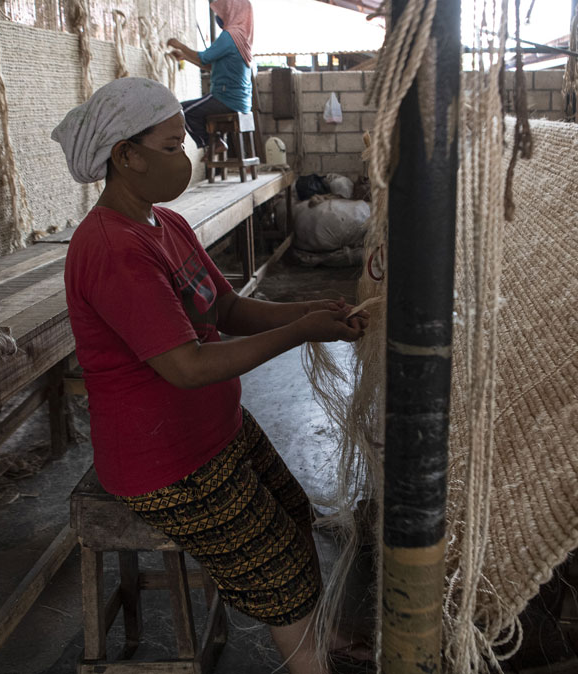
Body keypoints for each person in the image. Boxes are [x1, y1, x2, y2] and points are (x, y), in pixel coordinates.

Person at [51, 78, 369, 674]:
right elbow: (187, 365)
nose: (189, 151)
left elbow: (225, 310)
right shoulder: (111, 248)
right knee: (280, 572)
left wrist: (310, 310)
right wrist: (300, 333)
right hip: (166, 464)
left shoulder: (163, 226)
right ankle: (312, 662)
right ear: (127, 154)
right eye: (174, 144)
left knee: (293, 515)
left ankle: (318, 638)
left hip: (213, 433)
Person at [167, 0, 253, 154]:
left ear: (231, 12)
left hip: (225, 99)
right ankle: (215, 141)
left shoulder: (230, 36)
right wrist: (185, 56)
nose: (218, 17)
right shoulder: (242, 37)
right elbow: (209, 65)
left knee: (182, 111)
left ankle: (211, 142)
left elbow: (203, 57)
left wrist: (179, 45)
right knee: (189, 110)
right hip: (241, 101)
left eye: (220, 12)